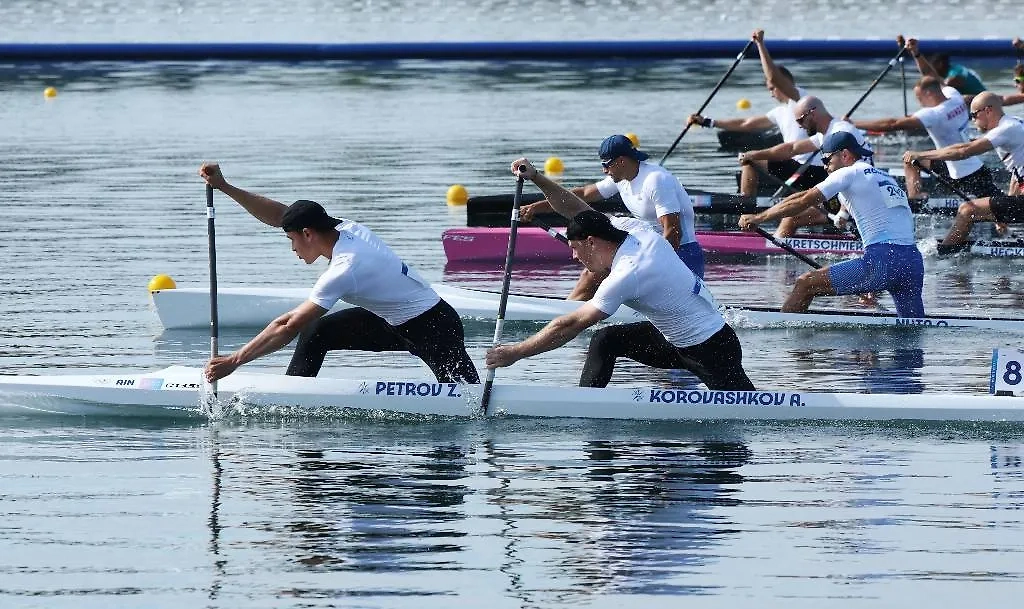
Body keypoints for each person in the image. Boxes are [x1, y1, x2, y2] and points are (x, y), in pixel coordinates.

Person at [487, 158, 756, 391]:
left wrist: (516, 352)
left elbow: (569, 325)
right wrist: (535, 177)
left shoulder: (628, 272)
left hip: (711, 349)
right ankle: (588, 406)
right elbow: (576, 209)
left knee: (746, 418)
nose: (574, 257)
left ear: (591, 241)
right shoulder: (630, 228)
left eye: (575, 248)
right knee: (606, 340)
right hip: (672, 341)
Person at [197, 163, 480, 384]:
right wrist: (224, 186)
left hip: (434, 328)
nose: (293, 249)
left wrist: (235, 360)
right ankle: (293, 393)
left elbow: (288, 325)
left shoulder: (345, 268)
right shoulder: (344, 228)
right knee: (318, 331)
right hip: (392, 321)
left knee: (471, 401)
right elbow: (282, 216)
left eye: (291, 240)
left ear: (308, 234)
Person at [739, 132, 925, 318]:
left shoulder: (848, 172)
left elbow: (804, 199)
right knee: (913, 327)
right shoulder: (885, 178)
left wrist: (759, 218)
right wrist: (872, 283)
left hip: (882, 261)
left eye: (826, 159)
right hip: (913, 262)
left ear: (845, 155)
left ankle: (783, 341)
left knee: (805, 284)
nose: (825, 166)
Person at [520, 134, 703, 300]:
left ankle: (566, 318)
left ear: (621, 161)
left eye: (606, 164)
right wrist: (537, 208)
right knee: (593, 271)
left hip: (682, 256)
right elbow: (583, 194)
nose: (604, 170)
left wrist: (650, 265)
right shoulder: (622, 179)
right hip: (652, 248)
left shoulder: (656, 180)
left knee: (600, 271)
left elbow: (673, 232)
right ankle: (569, 312)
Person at [688, 29, 828, 198]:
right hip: (796, 167)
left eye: (772, 88)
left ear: (785, 83)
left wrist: (760, 45)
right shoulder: (780, 111)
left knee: (750, 158)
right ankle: (750, 202)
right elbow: (746, 124)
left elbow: (774, 77)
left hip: (811, 170)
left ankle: (745, 208)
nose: (771, 93)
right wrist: (708, 122)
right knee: (752, 156)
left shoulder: (802, 99)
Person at [903, 92, 1024, 251]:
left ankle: (944, 256)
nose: (972, 120)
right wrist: (1003, 212)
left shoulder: (1006, 129)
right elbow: (1017, 175)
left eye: (974, 114)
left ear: (988, 110)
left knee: (967, 210)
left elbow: (963, 151)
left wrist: (921, 155)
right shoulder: (1014, 123)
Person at [738, 95, 873, 237]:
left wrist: (844, 213)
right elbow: (793, 148)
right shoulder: (828, 132)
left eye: (800, 120)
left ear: (812, 113)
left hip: (858, 201)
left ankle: (769, 251)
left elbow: (854, 173)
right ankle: (748, 220)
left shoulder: (840, 133)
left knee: (791, 217)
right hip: (847, 194)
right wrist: (753, 155)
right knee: (794, 208)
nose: (799, 125)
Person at [852, 73, 1002, 200]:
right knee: (911, 160)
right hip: (967, 165)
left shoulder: (933, 114)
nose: (920, 102)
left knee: (1003, 212)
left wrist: (853, 123)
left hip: (964, 175)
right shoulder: (955, 96)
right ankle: (915, 197)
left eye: (919, 98)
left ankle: (916, 201)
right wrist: (916, 53)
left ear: (929, 94)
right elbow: (931, 76)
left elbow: (893, 124)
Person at [908, 39, 987, 96]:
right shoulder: (951, 69)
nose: (931, 68)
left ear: (940, 64)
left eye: (932, 66)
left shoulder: (955, 71)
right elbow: (929, 73)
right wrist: (915, 52)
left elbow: (949, 82)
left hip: (981, 103)